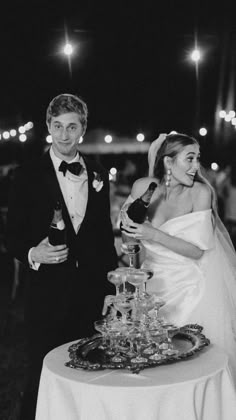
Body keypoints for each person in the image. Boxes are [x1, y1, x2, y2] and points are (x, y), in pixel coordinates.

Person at [6, 93, 117, 419]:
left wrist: (109, 289)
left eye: (72, 127)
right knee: (43, 374)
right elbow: (11, 236)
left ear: (83, 128)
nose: (64, 135)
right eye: (58, 126)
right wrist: (32, 252)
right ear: (48, 127)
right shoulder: (26, 174)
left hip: (90, 293)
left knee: (89, 372)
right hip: (47, 294)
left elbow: (102, 237)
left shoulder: (97, 173)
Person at [120, 132, 236, 384]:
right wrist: (130, 233)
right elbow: (130, 240)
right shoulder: (143, 187)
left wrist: (154, 233)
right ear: (168, 162)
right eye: (190, 159)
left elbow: (197, 250)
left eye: (197, 159)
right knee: (151, 362)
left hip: (191, 287)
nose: (196, 166)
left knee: (190, 363)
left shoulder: (201, 193)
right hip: (152, 283)